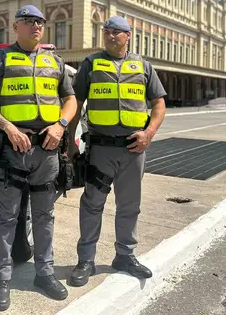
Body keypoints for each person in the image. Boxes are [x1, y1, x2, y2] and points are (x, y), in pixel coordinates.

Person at [0, 4, 77, 311]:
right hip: (13, 149)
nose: (36, 26)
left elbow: (70, 98)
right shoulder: (0, 59)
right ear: (15, 26)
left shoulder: (55, 61)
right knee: (6, 217)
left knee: (45, 216)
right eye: (29, 21)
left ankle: (44, 273)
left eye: (40, 22)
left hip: (47, 151)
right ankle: (1, 280)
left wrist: (61, 126)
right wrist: (8, 128)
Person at [66, 15, 167, 287]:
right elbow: (75, 103)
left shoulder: (143, 66)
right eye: (106, 31)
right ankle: (85, 260)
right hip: (100, 149)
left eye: (116, 32)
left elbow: (158, 105)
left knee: (129, 206)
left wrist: (149, 134)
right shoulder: (91, 64)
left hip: (134, 150)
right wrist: (69, 143)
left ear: (128, 35)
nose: (110, 36)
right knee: (92, 205)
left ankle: (125, 255)